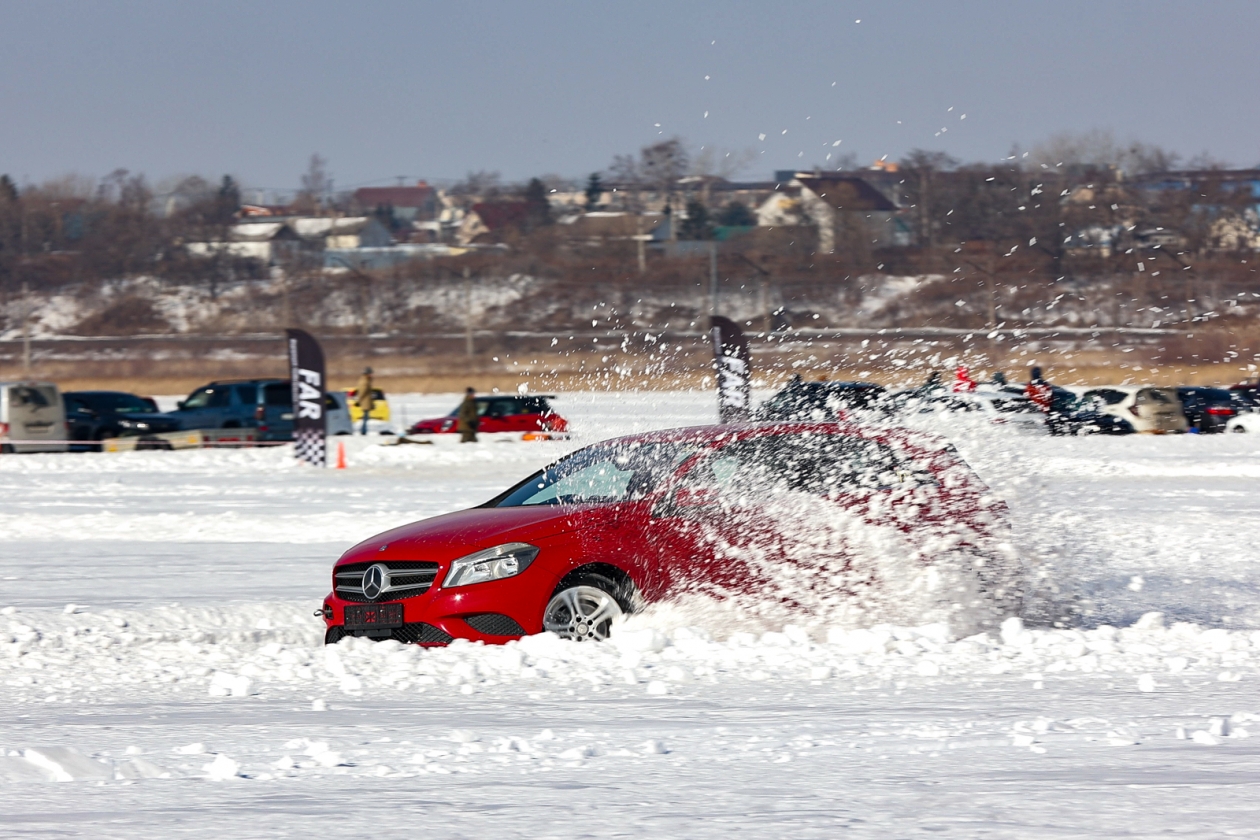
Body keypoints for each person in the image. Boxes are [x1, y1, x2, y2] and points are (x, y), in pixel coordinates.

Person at [354, 367, 375, 435]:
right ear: (367, 374)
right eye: (370, 374)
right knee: (365, 417)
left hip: (366, 401)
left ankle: (363, 430)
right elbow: (362, 392)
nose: (372, 375)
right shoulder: (365, 381)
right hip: (365, 402)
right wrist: (359, 400)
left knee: (366, 417)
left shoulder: (366, 380)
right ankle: (363, 430)